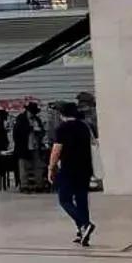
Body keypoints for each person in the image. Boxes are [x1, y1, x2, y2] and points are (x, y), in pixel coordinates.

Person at [48, 102, 97, 246]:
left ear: (62, 114)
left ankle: (84, 224)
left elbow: (57, 150)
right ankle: (82, 232)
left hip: (69, 169)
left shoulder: (62, 129)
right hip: (85, 169)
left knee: (65, 200)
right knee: (81, 200)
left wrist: (51, 168)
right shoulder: (85, 126)